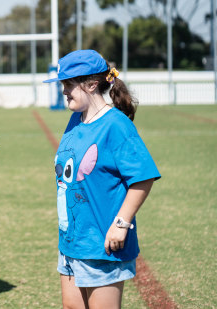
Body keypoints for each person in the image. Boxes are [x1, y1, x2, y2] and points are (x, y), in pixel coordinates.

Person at [43, 49, 161, 309]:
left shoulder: (116, 125)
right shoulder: (76, 120)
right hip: (72, 241)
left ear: (91, 84)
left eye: (68, 84)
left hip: (101, 244)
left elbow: (143, 178)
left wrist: (121, 223)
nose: (63, 91)